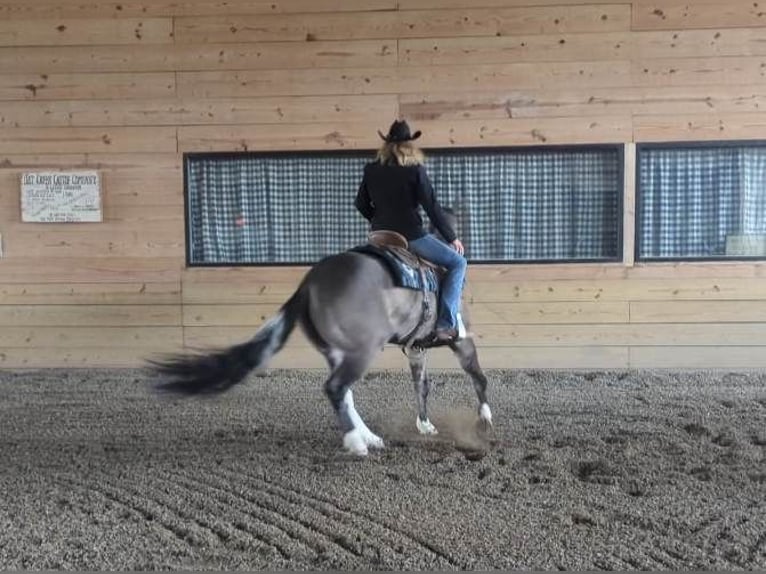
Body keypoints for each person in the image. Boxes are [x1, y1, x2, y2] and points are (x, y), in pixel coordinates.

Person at [355, 119, 467, 342]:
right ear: (410, 146)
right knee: (458, 263)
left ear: (386, 145)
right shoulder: (414, 170)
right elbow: (432, 207)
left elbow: (360, 203)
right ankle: (446, 323)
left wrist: (377, 220)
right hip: (410, 235)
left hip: (379, 236)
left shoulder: (371, 169)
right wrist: (452, 237)